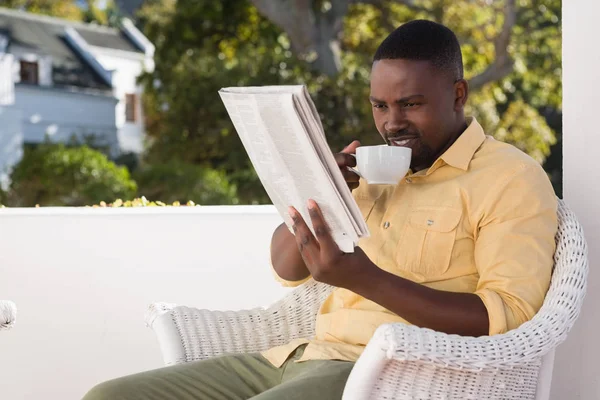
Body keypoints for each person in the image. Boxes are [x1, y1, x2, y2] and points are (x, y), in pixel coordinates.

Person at [83, 19, 557, 400]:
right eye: (380, 106)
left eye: (411, 104)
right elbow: (286, 268)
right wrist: (321, 187)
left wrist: (362, 277)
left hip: (388, 375)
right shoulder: (373, 170)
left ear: (458, 94)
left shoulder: (508, 177)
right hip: (298, 357)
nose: (392, 124)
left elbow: (506, 317)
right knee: (107, 395)